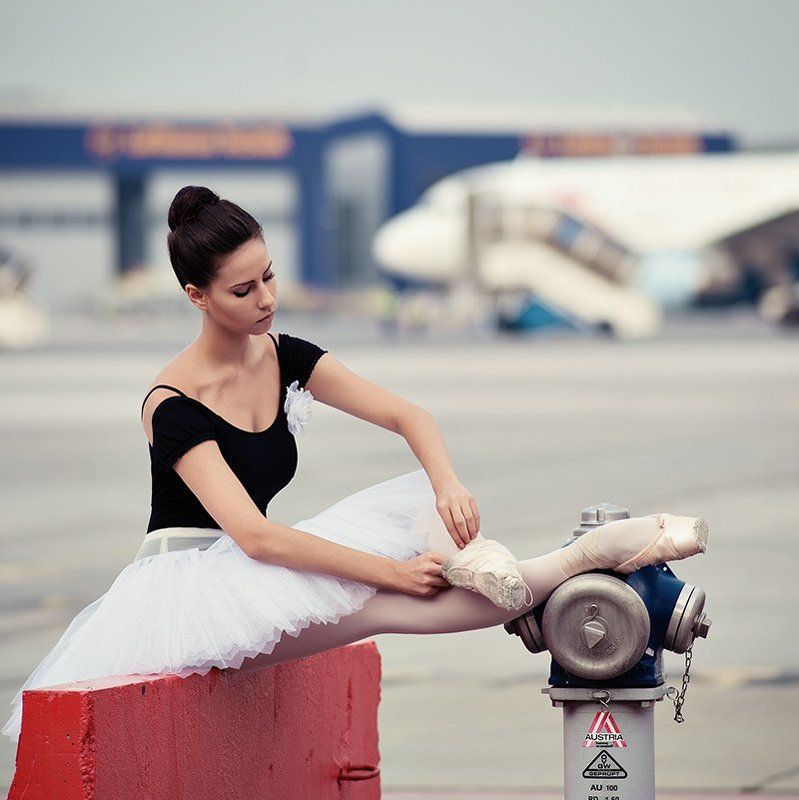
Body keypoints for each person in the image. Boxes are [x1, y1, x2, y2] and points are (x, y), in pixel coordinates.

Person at [1, 186, 709, 743]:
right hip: (192, 585)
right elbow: (257, 537)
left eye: (268, 278)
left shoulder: (285, 355)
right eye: (243, 291)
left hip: (246, 566)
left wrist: (449, 483)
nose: (267, 300)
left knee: (420, 512)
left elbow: (410, 417)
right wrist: (390, 570)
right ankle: (577, 560)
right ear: (197, 296)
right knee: (397, 603)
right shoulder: (171, 404)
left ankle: (516, 584)